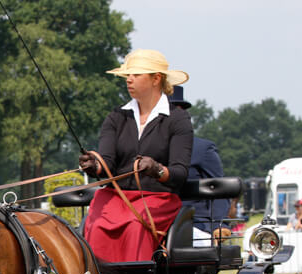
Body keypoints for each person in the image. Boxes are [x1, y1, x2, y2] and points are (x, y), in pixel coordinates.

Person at [78, 49, 193, 262]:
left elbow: (179, 172)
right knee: (96, 227)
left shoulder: (178, 120)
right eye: (127, 75)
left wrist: (156, 168)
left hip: (157, 199)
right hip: (115, 198)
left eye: (136, 74)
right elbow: (108, 163)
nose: (128, 80)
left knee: (134, 225)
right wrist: (95, 165)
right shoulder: (116, 117)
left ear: (156, 79)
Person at [167, 86, 230, 232]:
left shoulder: (202, 149)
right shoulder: (146, 149)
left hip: (193, 224)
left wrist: (219, 225)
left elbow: (220, 189)